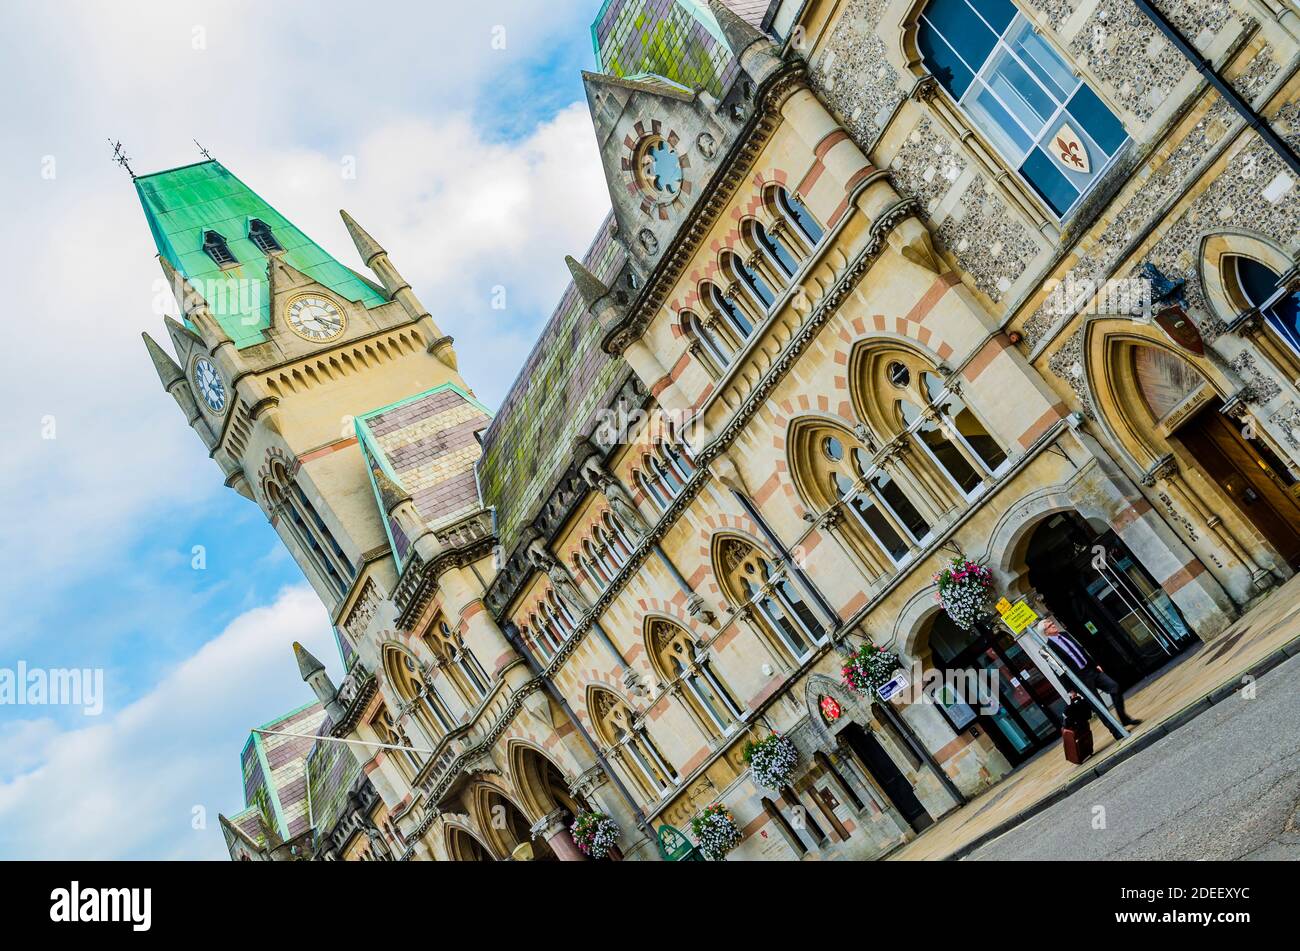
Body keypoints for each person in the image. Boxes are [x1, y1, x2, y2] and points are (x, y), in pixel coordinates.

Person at [1038, 616, 1141, 740]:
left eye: (1052, 622)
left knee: (1114, 687)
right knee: (1099, 706)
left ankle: (1123, 718)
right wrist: (1070, 690)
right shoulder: (1050, 648)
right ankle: (1116, 732)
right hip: (1080, 679)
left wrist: (1095, 664)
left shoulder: (1065, 635)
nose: (1053, 625)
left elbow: (1080, 650)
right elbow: (1057, 671)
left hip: (1091, 670)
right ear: (1046, 632)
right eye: (1049, 625)